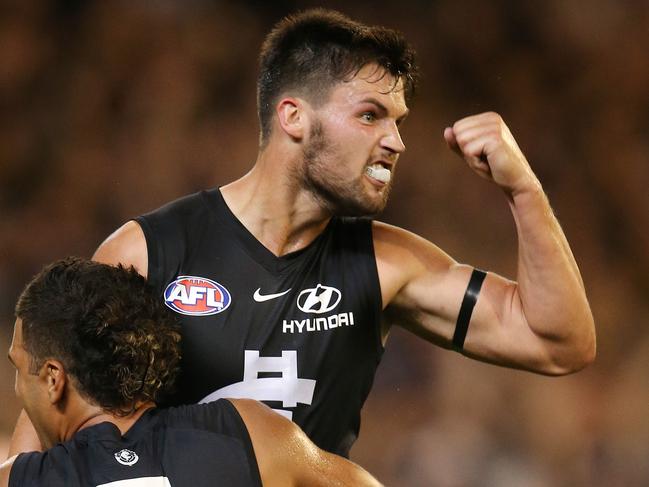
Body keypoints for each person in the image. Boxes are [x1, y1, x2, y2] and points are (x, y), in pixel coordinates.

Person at [9, 8, 596, 458]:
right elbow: (36, 450)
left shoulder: (387, 265)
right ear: (293, 116)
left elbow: (558, 342)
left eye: (398, 122)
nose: (396, 141)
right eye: (371, 115)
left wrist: (525, 193)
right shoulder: (147, 255)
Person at [0, 257, 382, 487]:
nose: (18, 387)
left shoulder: (23, 479)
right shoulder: (249, 432)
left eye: (19, 368)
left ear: (53, 378)